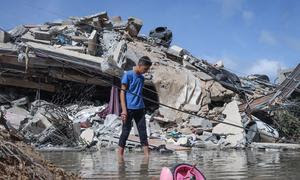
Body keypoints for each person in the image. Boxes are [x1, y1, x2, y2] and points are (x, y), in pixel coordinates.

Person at [118, 56, 152, 158]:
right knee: (125, 132)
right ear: (140, 65)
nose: (146, 72)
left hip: (140, 108)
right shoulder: (128, 75)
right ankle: (119, 157)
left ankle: (147, 157)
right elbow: (122, 93)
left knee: (143, 132)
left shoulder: (141, 78)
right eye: (145, 69)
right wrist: (124, 110)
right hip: (129, 109)